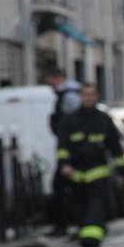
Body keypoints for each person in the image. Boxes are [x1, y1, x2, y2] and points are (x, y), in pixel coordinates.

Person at [56, 83, 124, 247]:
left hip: (98, 173)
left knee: (96, 210)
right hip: (76, 175)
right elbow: (62, 146)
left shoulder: (104, 120)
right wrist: (64, 165)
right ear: (81, 97)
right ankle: (86, 241)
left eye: (91, 94)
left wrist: (121, 172)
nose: (88, 98)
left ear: (96, 97)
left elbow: (115, 148)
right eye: (85, 95)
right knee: (80, 212)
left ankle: (93, 243)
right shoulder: (70, 120)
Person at [46, 68, 82, 237]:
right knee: (68, 188)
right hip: (69, 149)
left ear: (59, 78)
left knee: (62, 187)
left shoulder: (69, 95)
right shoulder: (67, 94)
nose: (50, 85)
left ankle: (65, 225)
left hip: (72, 151)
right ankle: (73, 224)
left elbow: (73, 123)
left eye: (51, 80)